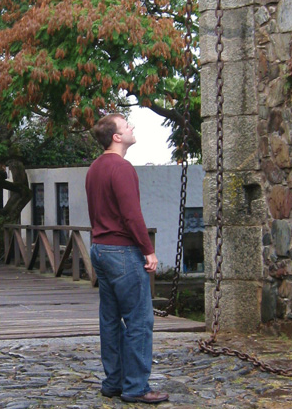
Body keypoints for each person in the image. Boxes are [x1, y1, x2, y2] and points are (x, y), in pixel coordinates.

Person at [85, 113, 169, 404]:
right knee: (139, 320)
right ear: (117, 137)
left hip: (99, 248)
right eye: (127, 125)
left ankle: (113, 382)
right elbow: (131, 215)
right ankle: (136, 387)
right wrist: (149, 249)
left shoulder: (95, 168)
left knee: (109, 319)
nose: (132, 127)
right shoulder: (121, 168)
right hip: (122, 251)